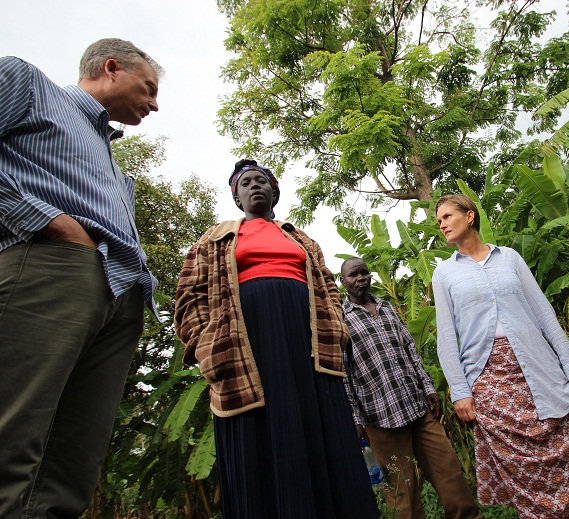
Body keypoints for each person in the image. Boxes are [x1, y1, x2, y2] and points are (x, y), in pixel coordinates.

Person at [0, 39, 162, 518]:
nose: (155, 104)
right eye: (149, 88)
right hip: (50, 269)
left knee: (72, 463)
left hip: (118, 297)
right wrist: (50, 222)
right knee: (13, 433)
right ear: (111, 68)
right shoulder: (29, 84)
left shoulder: (110, 157)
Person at [174, 160, 380, 519]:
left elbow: (329, 287)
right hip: (243, 349)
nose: (254, 186)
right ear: (237, 198)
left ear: (274, 192)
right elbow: (189, 296)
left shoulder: (301, 239)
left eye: (261, 181)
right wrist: (206, 346)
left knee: (321, 425)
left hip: (309, 344)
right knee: (258, 433)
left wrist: (337, 327)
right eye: (245, 183)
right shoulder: (215, 238)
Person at [431, 194, 569, 519]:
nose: (442, 225)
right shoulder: (444, 273)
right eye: (439, 221)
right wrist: (460, 391)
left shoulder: (510, 258)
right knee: (524, 474)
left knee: (566, 469)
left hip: (539, 368)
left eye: (447, 216)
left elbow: (544, 313)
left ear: (470, 216)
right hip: (489, 380)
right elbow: (447, 337)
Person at [340, 256, 482, 519]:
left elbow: (410, 351)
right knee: (403, 495)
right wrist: (356, 419)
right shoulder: (341, 320)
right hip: (380, 419)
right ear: (343, 281)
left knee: (450, 475)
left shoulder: (387, 307)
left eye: (364, 272)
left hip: (417, 408)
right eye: (353, 274)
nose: (360, 278)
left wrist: (428, 388)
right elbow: (345, 374)